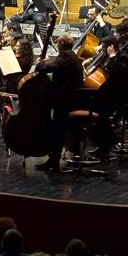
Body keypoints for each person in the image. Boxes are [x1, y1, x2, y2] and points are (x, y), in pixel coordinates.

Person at [35, 33, 85, 172]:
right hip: (73, 99)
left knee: (58, 130)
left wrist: (40, 63)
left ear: (61, 44)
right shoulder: (72, 55)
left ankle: (53, 160)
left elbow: (45, 68)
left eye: (57, 43)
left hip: (66, 102)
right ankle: (55, 158)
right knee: (60, 129)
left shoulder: (65, 56)